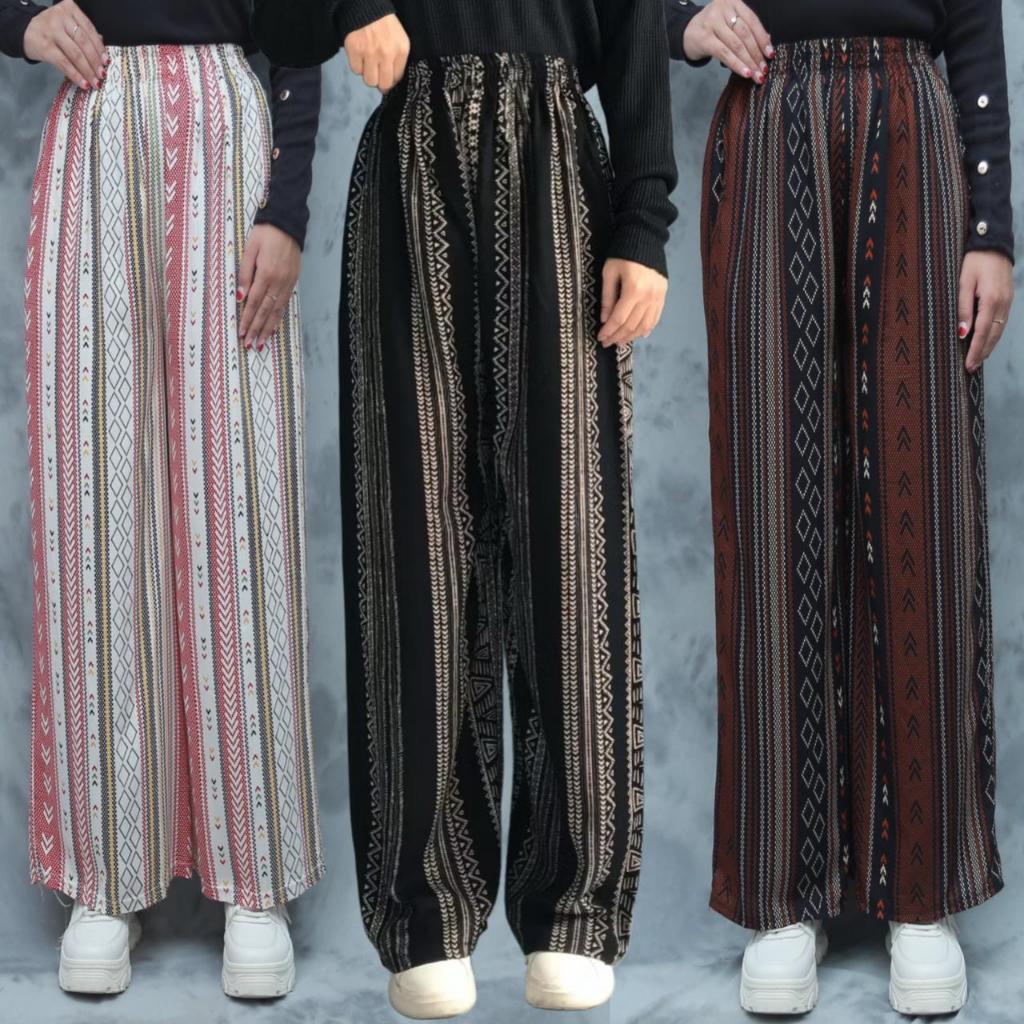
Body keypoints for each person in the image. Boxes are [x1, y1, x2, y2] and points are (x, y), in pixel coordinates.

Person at [252, 0, 677, 1017]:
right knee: (413, 538)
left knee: (569, 538)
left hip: (558, 166)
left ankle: (573, 905)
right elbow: (285, 25)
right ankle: (425, 907)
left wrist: (643, 220)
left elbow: (635, 27)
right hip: (411, 160)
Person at [666, 0, 1014, 1016]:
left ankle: (923, 892)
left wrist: (991, 227)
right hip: (769, 121)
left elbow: (974, 25)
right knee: (771, 504)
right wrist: (683, 20)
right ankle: (782, 895)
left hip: (913, 127)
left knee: (922, 499)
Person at [0, 0, 325, 1000]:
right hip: (94, 130)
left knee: (241, 496)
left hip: (229, 128)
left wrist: (285, 212)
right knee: (95, 500)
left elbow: (301, 31)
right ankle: (105, 877)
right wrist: (17, 20)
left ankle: (256, 880)